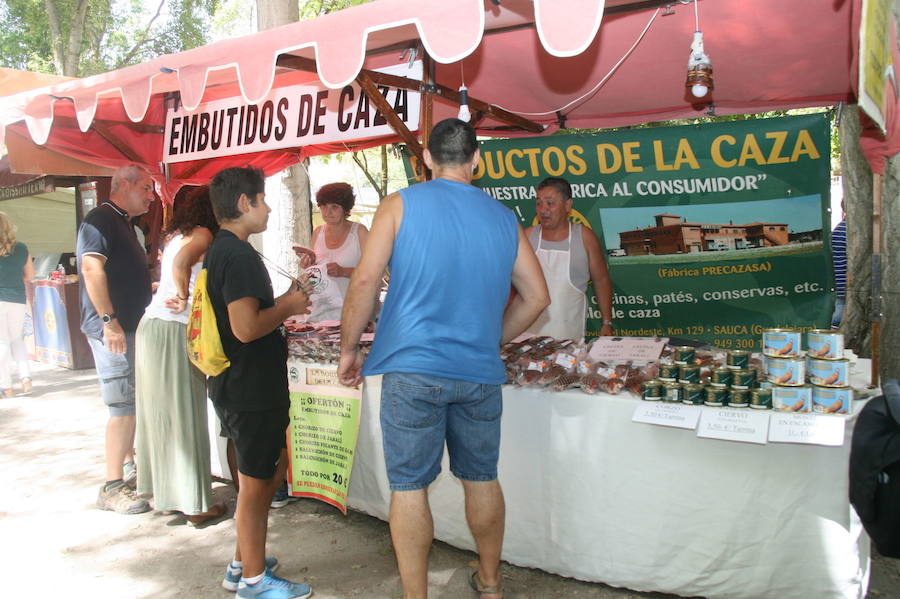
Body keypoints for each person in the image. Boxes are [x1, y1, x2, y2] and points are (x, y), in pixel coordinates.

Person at [338, 118, 550, 599]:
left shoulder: (398, 205)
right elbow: (537, 297)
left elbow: (366, 283)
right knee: (482, 477)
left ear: (427, 160)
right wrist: (491, 339)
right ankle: (491, 583)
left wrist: (350, 349)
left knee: (409, 487)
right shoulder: (503, 218)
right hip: (477, 372)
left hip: (412, 368)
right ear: (477, 160)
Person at [206, 167, 313, 599]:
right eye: (263, 199)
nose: (268, 207)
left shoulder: (225, 250)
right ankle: (253, 582)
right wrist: (288, 304)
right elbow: (246, 327)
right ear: (244, 203)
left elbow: (245, 317)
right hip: (250, 388)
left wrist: (284, 299)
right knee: (254, 487)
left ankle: (242, 563)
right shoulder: (239, 256)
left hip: (241, 384)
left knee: (262, 477)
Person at [134, 186, 227, 526]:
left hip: (153, 328)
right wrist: (185, 294)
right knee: (185, 412)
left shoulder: (180, 232)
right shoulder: (202, 234)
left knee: (162, 416)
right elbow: (181, 262)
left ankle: (170, 495)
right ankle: (196, 505)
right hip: (173, 328)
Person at [77, 164, 155, 515]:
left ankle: (127, 466)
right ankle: (111, 486)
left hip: (128, 326)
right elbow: (91, 268)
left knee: (131, 402)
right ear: (124, 184)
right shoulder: (101, 219)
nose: (152, 196)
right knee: (122, 406)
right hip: (113, 330)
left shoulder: (124, 222)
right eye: (147, 188)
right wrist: (109, 321)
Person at [524, 177, 614, 340]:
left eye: (550, 203)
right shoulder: (528, 236)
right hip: (529, 336)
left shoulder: (585, 237)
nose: (543, 209)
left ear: (567, 205)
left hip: (569, 337)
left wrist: (606, 322)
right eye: (539, 203)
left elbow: (601, 280)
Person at [294, 182, 369, 323]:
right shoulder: (318, 233)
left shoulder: (359, 232)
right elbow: (317, 272)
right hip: (323, 312)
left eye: (334, 207)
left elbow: (375, 273)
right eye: (323, 206)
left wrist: (344, 271)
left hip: (355, 310)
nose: (327, 212)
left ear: (346, 208)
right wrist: (309, 265)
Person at [0, 212, 34, 398]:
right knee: (17, 340)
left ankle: (6, 387)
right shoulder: (21, 248)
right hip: (17, 299)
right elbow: (30, 276)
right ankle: (25, 378)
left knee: (1, 342)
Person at [831, 210, 846, 328]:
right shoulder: (846, 229)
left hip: (839, 279)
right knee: (839, 313)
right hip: (845, 280)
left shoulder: (839, 229)